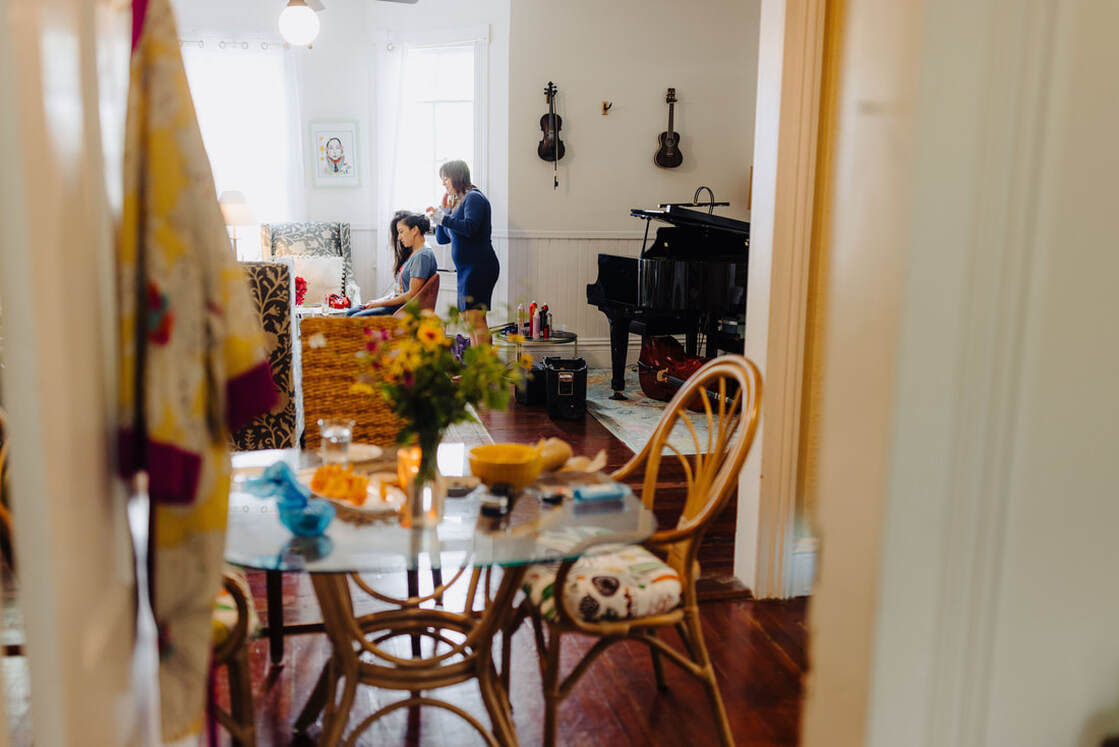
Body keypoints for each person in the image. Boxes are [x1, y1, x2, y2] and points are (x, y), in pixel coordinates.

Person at [426, 160, 499, 345]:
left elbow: (470, 227)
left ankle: (484, 371)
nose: (443, 183)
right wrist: (443, 212)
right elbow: (443, 239)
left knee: (476, 320)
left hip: (479, 267)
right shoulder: (457, 204)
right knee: (469, 321)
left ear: (457, 177)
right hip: (466, 270)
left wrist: (444, 217)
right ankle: (476, 371)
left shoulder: (474, 198)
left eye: (445, 178)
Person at [348, 212, 436, 317]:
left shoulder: (423, 255)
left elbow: (411, 294)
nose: (399, 238)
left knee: (355, 317)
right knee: (350, 312)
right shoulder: (415, 252)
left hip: (404, 309)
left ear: (414, 230)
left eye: (401, 232)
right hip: (396, 304)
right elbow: (398, 291)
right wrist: (376, 302)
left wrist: (379, 303)